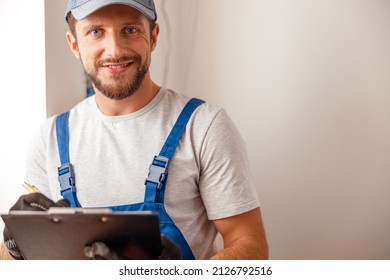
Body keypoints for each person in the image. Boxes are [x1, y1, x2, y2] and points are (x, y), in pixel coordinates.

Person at [1, 0, 268, 260]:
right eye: (96, 32)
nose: (115, 50)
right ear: (74, 44)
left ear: (153, 37)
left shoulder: (204, 125)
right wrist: (16, 249)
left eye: (130, 30)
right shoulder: (49, 138)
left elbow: (250, 246)